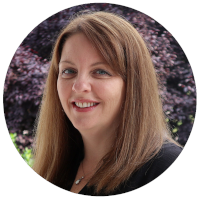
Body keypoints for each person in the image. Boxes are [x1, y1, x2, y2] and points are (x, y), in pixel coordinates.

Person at [32, 11, 182, 196]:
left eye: (101, 71)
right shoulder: (54, 169)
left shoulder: (168, 169)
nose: (79, 86)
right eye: (69, 71)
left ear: (133, 85)